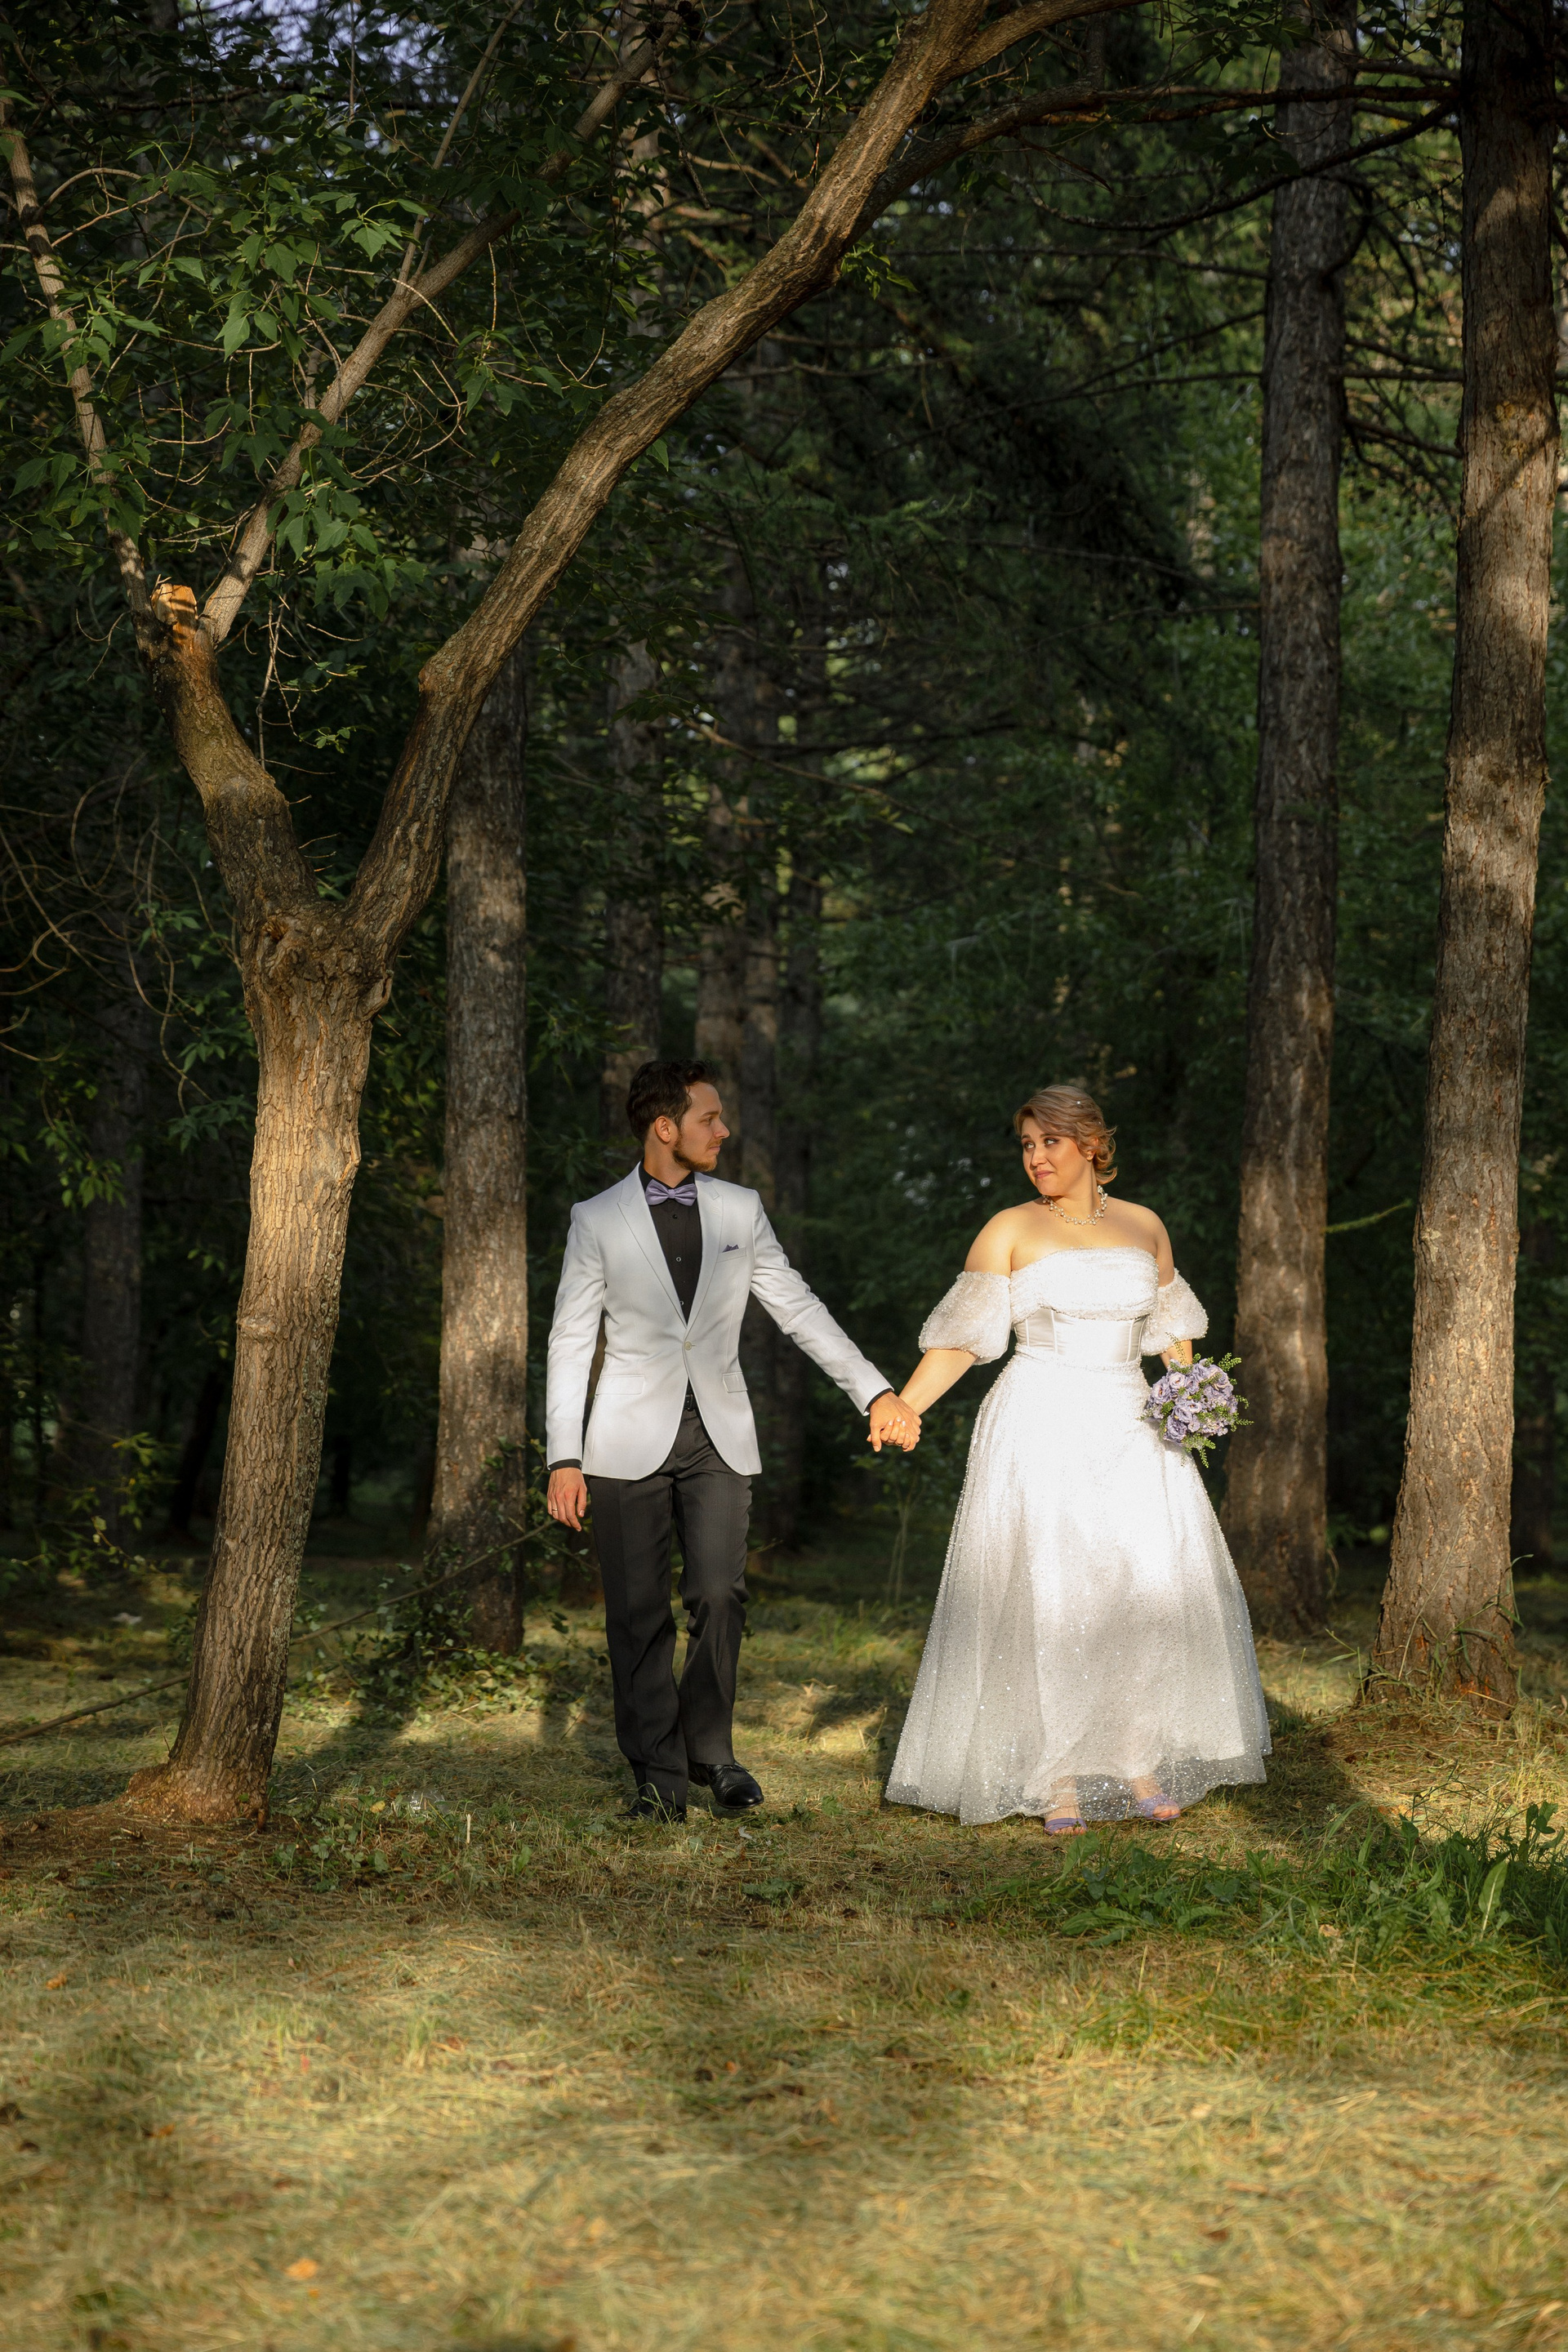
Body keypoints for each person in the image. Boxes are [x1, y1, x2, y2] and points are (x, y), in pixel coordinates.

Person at [884, 1085, 1269, 1834]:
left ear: (1091, 1144)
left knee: (1145, 1582)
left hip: (1132, 1420)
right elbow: (964, 1339)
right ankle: (1053, 1777)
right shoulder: (1009, 1229)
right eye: (1027, 1146)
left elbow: (1171, 1330)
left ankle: (1136, 1760)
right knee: (1052, 1590)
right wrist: (907, 1404)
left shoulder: (1144, 1225)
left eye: (1049, 1143)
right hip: (1042, 1412)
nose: (1036, 1158)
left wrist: (1192, 1396)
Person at [546, 1058, 917, 1820]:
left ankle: (710, 1751)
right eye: (709, 1118)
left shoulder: (740, 1210)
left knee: (720, 1594)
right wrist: (564, 1456)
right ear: (665, 1127)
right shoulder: (596, 1218)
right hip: (621, 1440)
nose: (724, 1130)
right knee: (637, 1612)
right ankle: (658, 1777)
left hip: (718, 1434)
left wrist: (874, 1389)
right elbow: (571, 1340)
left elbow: (798, 1308)